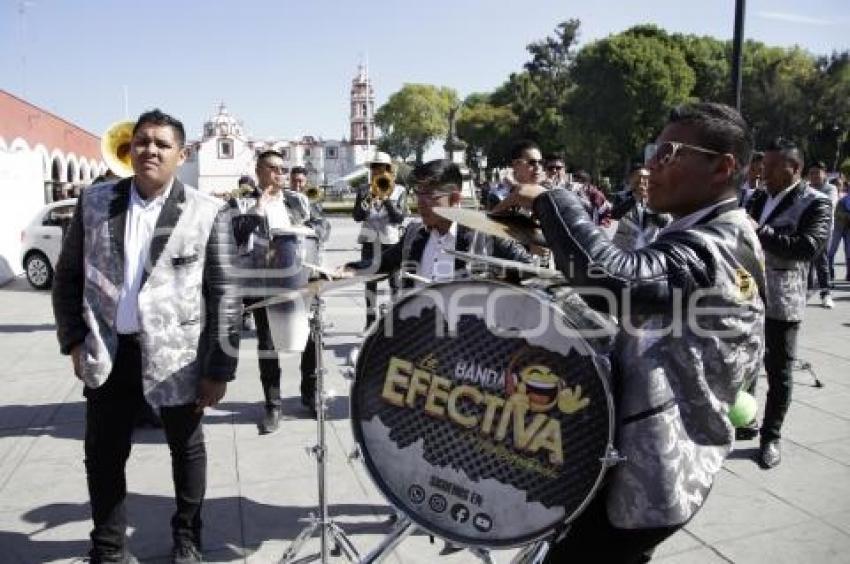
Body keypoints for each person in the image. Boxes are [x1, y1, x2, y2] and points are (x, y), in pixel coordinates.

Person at [495, 102, 765, 562]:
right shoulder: (695, 233)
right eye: (652, 151)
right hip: (631, 456)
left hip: (656, 471)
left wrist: (549, 197)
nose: (651, 166)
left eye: (669, 153)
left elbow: (614, 279)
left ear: (722, 168)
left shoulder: (719, 245)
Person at [52, 109, 241, 564]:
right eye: (142, 142)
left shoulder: (208, 211)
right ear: (129, 147)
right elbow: (68, 277)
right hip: (110, 352)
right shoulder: (94, 203)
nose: (149, 150)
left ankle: (187, 539)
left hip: (179, 358)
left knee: (187, 451)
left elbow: (225, 295)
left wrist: (218, 369)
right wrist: (74, 341)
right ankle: (109, 547)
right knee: (103, 455)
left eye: (161, 144)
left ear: (181, 154)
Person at [745, 140, 832, 467]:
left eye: (770, 167)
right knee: (742, 364)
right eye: (762, 165)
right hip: (746, 296)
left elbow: (808, 247)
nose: (762, 172)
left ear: (793, 169)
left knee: (779, 372)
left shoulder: (816, 203)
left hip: (783, 301)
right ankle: (745, 420)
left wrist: (761, 231)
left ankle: (771, 437)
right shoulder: (757, 197)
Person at [232, 152, 319, 432]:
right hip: (262, 281)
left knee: (309, 338)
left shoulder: (299, 200)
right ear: (258, 171)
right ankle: (273, 405)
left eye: (283, 169)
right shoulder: (243, 202)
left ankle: (310, 393)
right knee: (268, 345)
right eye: (273, 168)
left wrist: (308, 229)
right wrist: (259, 208)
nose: (280, 174)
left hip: (300, 277)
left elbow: (322, 226)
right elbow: (236, 234)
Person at [340, 159, 531, 286]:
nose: (420, 203)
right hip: (418, 335)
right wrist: (351, 268)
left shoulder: (486, 235)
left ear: (455, 198)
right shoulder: (414, 233)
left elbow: (531, 271)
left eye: (429, 195)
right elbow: (383, 262)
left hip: (468, 339)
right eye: (418, 194)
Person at [352, 151, 407, 328]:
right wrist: (369, 197)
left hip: (390, 242)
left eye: (381, 168)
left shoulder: (399, 190)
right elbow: (357, 216)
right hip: (369, 241)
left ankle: (396, 322)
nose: (377, 171)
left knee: (395, 284)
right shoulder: (363, 189)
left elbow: (399, 218)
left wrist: (386, 198)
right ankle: (370, 322)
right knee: (370, 285)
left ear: (388, 169)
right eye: (374, 167)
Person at [610, 164, 672, 250]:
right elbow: (615, 215)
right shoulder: (622, 197)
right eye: (639, 179)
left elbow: (664, 222)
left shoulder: (657, 198)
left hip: (648, 250)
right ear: (631, 180)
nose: (643, 181)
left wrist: (649, 203)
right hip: (624, 249)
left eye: (646, 178)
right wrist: (635, 198)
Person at [805, 160, 837, 308]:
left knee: (821, 261)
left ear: (825, 174)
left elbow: (827, 206)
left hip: (823, 231)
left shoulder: (831, 189)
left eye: (817, 172)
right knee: (805, 261)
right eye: (811, 173)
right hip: (806, 230)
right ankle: (807, 291)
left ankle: (826, 294)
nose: (814, 176)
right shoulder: (805, 188)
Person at [828, 178, 850, 281]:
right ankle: (830, 273)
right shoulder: (834, 197)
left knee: (849, 251)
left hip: (848, 228)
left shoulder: (845, 196)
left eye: (840, 184)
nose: (839, 186)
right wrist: (845, 215)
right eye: (837, 184)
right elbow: (835, 213)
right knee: (831, 251)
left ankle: (849, 274)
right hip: (836, 227)